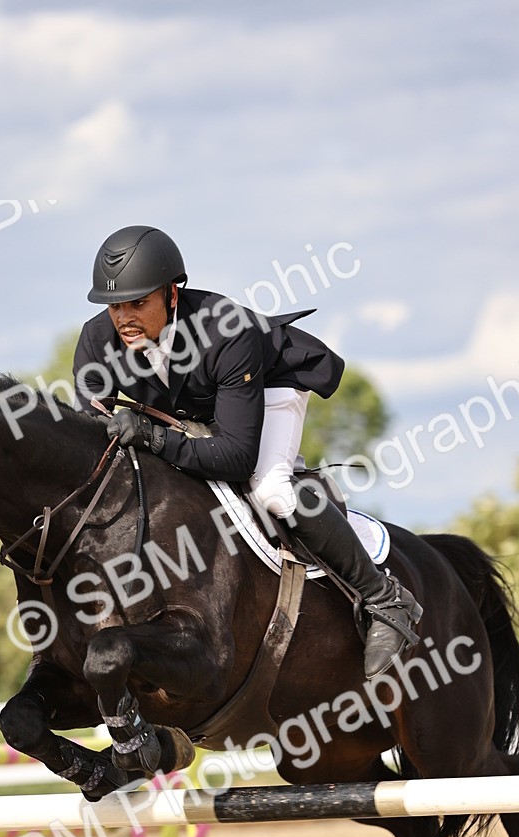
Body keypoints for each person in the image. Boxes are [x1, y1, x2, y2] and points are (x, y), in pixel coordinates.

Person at [72, 225, 422, 679]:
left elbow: (237, 457)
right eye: (114, 306)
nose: (124, 318)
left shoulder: (225, 331)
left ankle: (383, 598)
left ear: (172, 294)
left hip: (271, 383)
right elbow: (92, 441)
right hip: (189, 403)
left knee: (270, 489)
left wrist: (156, 439)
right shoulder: (96, 341)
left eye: (138, 303)